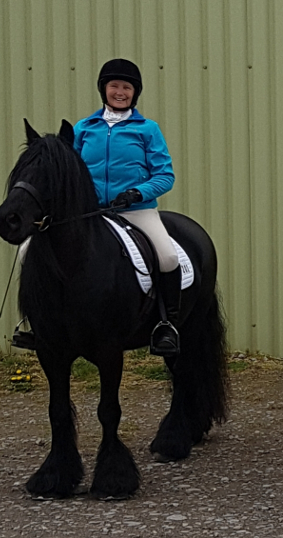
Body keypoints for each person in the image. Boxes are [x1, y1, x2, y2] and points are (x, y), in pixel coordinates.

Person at [73, 58, 181, 357]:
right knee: (32, 250)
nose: (120, 92)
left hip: (136, 210)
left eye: (126, 87)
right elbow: (70, 174)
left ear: (135, 92)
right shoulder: (84, 128)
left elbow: (165, 175)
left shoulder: (147, 129)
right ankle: (40, 323)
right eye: (114, 86)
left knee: (168, 256)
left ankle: (166, 324)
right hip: (92, 213)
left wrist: (137, 192)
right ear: (103, 89)